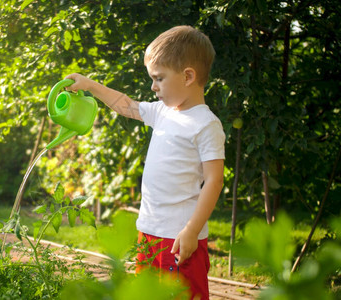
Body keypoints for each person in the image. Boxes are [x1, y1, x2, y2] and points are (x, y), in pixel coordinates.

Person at [65, 25, 225, 299]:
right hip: (149, 230)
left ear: (188, 76)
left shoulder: (205, 124)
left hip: (179, 238)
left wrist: (191, 230)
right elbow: (125, 105)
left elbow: (214, 180)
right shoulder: (163, 111)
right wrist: (89, 85)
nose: (153, 87)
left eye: (159, 78)